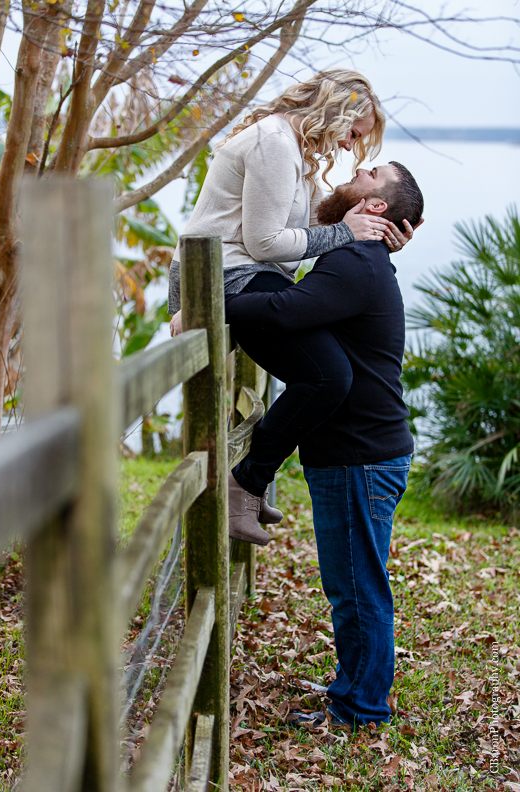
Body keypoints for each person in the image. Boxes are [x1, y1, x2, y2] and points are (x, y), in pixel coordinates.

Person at [169, 70, 421, 541]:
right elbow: (265, 242)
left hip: (242, 273)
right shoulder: (275, 144)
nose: (349, 147)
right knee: (328, 376)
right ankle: (245, 483)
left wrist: (381, 236)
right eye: (353, 133)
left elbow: (317, 221)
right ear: (336, 110)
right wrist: (350, 232)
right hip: (227, 274)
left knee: (329, 373)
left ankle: (249, 481)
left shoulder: (296, 151)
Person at [224, 160, 423, 728]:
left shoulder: (357, 263)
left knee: (357, 587)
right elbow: (296, 237)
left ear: (377, 207)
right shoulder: (357, 257)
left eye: (370, 173)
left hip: (361, 455)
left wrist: (213, 306)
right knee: (355, 582)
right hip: (359, 451)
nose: (356, 169)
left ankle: (359, 707)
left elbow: (287, 311)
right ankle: (358, 687)